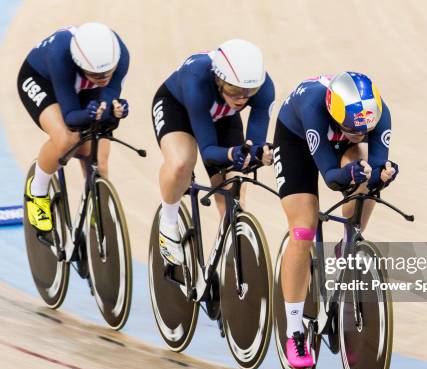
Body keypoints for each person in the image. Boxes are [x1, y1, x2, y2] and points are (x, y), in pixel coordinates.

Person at [272, 72, 399, 369]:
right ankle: (294, 331)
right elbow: (331, 177)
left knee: (367, 175)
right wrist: (348, 175)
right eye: (352, 130)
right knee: (303, 230)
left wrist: (383, 175)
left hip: (335, 139)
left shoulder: (377, 114)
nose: (359, 135)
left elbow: (378, 165)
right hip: (296, 141)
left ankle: (347, 242)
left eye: (363, 131)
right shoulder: (314, 108)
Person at [152, 38, 275, 266]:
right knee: (181, 163)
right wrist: (231, 154)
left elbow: (254, 145)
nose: (242, 98)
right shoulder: (197, 79)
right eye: (235, 90)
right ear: (219, 79)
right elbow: (208, 152)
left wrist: (258, 154)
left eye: (250, 92)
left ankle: (224, 265)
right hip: (177, 108)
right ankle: (168, 223)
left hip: (221, 117)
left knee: (233, 192)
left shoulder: (264, 88)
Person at [18, 22, 130, 231]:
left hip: (83, 86)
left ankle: (95, 209)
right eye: (97, 75)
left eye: (108, 72)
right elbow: (70, 117)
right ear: (80, 64)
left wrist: (115, 112)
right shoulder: (59, 55)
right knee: (67, 139)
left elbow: (107, 104)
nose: (104, 78)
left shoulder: (120, 55)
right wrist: (88, 114)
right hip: (43, 80)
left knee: (99, 158)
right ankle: (37, 190)